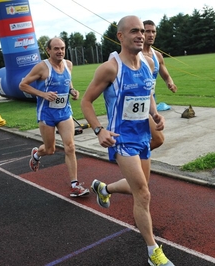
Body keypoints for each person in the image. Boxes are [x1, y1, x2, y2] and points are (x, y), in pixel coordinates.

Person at [81, 15, 174, 266]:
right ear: (121, 36)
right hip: (121, 140)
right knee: (143, 194)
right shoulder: (110, 68)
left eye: (143, 31)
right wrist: (99, 130)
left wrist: (155, 114)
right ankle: (153, 251)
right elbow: (86, 101)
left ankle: (104, 188)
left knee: (140, 187)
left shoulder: (147, 62)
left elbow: (149, 91)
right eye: (134, 31)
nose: (141, 35)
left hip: (143, 136)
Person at [19, 37, 89, 198]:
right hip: (46, 114)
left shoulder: (68, 65)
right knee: (50, 149)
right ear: (48, 50)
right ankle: (37, 154)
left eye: (62, 48)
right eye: (56, 48)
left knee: (70, 146)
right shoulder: (42, 67)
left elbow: (68, 82)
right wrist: (43, 94)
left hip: (64, 112)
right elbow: (23, 85)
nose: (60, 51)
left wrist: (72, 91)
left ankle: (75, 184)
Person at [142, 19, 177, 150]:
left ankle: (134, 161)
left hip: (152, 102)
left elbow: (166, 75)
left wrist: (170, 83)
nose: (151, 35)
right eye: (147, 31)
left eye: (153, 32)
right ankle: (129, 159)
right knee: (158, 139)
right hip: (139, 102)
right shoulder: (135, 55)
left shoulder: (157, 56)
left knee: (150, 138)